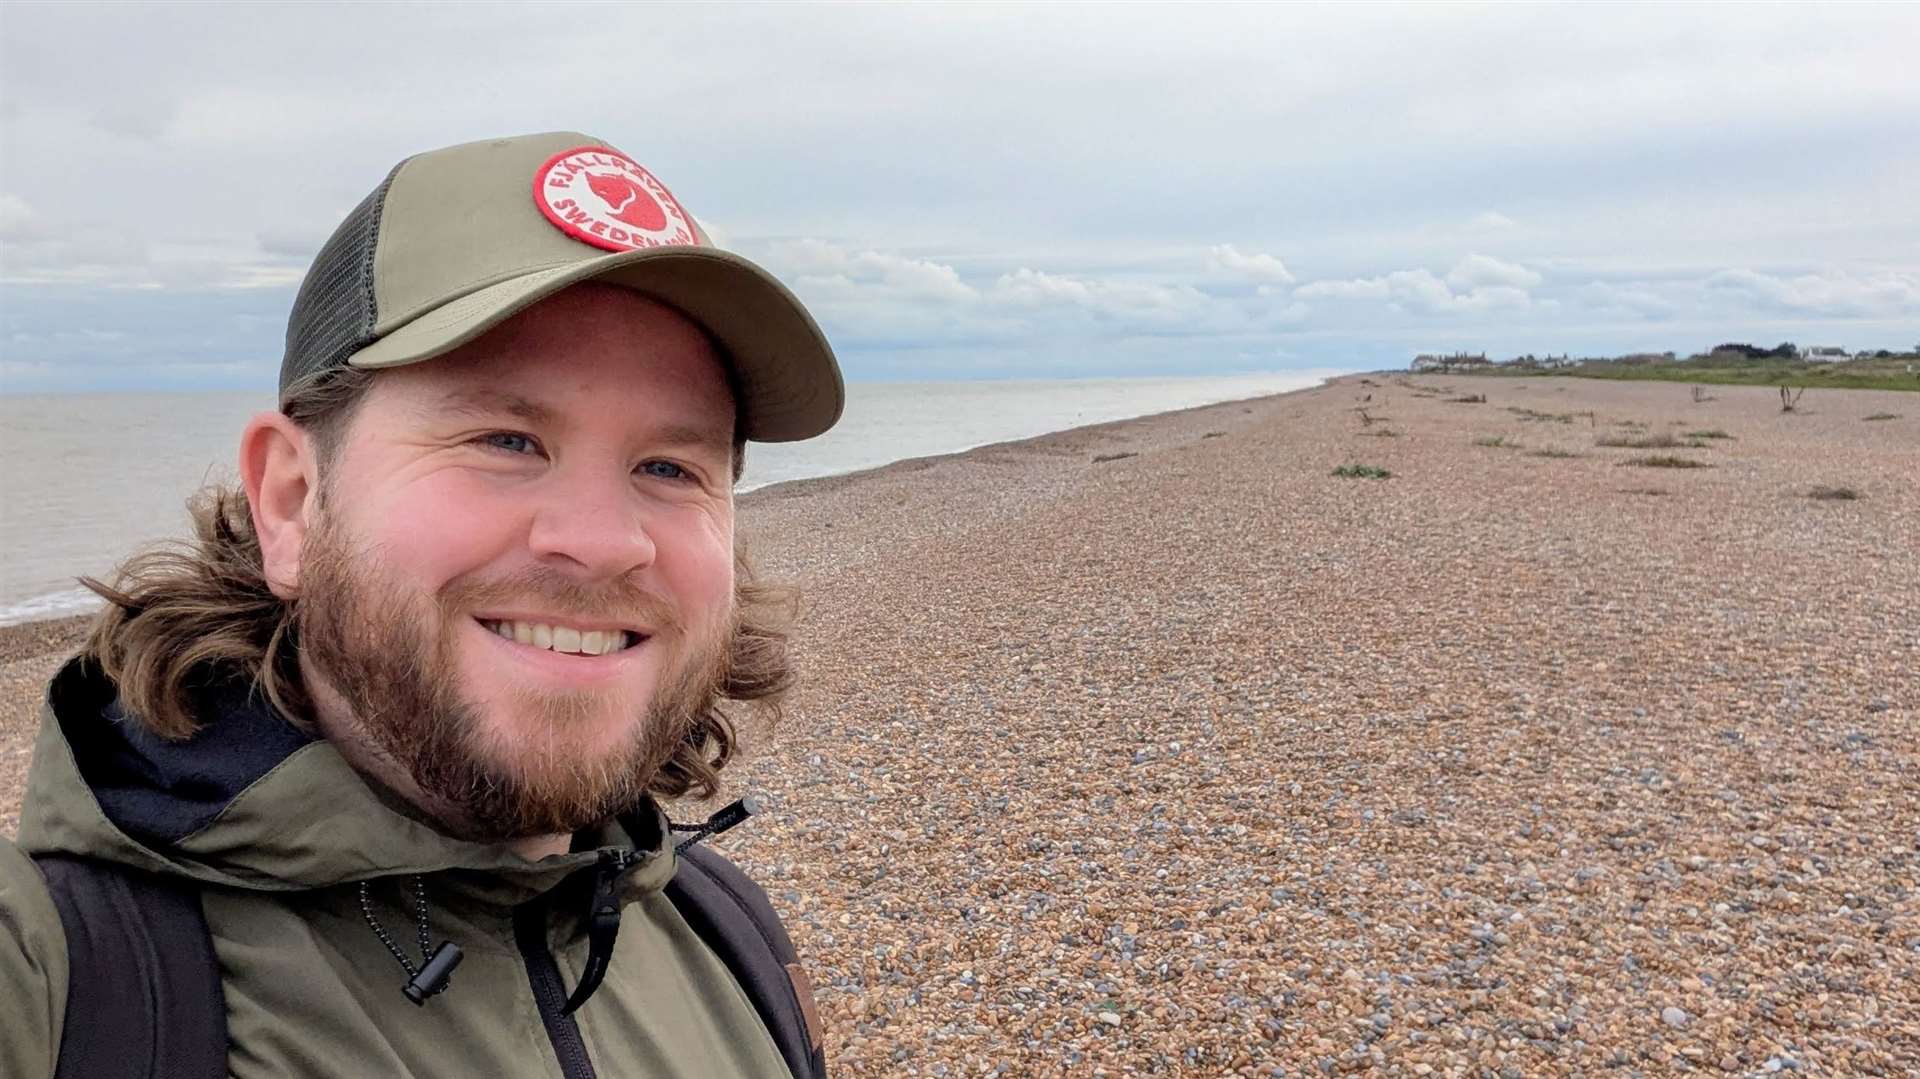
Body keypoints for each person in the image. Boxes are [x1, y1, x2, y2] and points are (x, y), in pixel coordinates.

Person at [0, 131, 844, 1078]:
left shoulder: (727, 938)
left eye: (668, 466)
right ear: (291, 501)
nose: (605, 540)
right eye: (507, 439)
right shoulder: (62, 984)